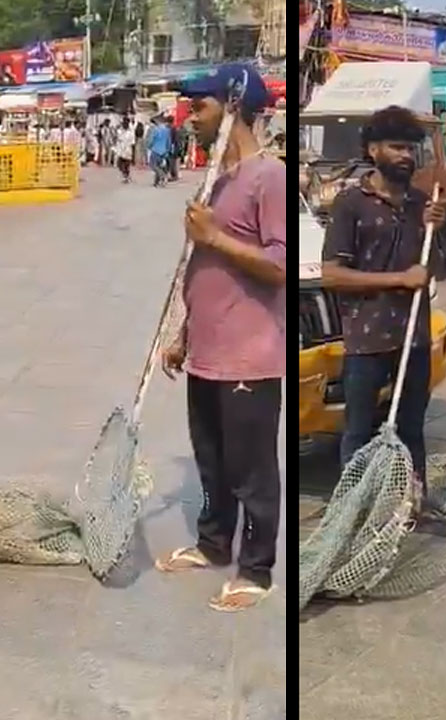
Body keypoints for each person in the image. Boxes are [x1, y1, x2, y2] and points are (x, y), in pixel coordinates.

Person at [155, 64, 286, 612]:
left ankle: (256, 568)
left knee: (251, 471)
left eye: (201, 106)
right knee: (210, 459)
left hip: (249, 357)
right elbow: (204, 263)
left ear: (232, 108)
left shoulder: (268, 176)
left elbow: (279, 265)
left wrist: (214, 236)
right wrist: (184, 332)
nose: (191, 116)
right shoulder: (217, 180)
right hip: (206, 353)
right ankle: (213, 543)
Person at [319, 105, 446, 534]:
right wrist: (400, 279)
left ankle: (415, 503)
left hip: (413, 336)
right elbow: (333, 274)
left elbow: (434, 268)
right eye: (397, 147)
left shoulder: (421, 204)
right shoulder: (351, 203)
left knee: (413, 427)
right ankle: (350, 513)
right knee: (357, 431)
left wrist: (439, 230)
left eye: (412, 148)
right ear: (373, 149)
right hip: (366, 338)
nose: (406, 156)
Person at [147, 115, 172, 187]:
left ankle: (163, 176)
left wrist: (149, 146)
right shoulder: (167, 130)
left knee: (153, 165)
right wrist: (168, 150)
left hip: (155, 149)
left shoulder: (156, 129)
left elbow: (152, 139)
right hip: (163, 151)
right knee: (159, 166)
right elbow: (169, 141)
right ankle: (156, 182)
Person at [114, 116, 134, 182]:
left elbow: (132, 142)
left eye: (126, 123)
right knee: (119, 164)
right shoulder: (119, 131)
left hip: (128, 150)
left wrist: (133, 154)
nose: (125, 124)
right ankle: (125, 175)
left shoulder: (131, 132)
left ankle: (126, 176)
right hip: (120, 149)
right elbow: (116, 139)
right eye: (124, 123)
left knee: (126, 164)